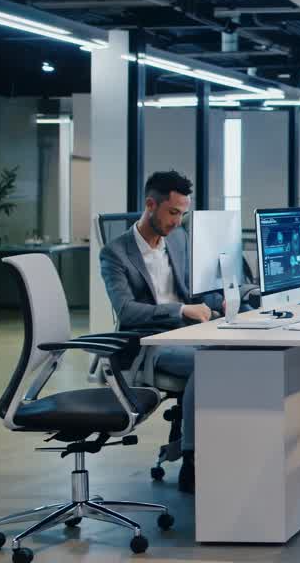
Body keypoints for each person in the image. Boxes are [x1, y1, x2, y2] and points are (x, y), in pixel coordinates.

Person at [100, 171, 215, 494]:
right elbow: (127, 311)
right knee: (209, 364)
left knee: (240, 354)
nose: (178, 222)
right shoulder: (115, 253)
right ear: (151, 204)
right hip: (149, 344)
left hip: (189, 332)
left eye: (183, 213)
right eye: (173, 212)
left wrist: (218, 302)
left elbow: (191, 290)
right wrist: (179, 310)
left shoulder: (176, 240)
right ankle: (192, 458)